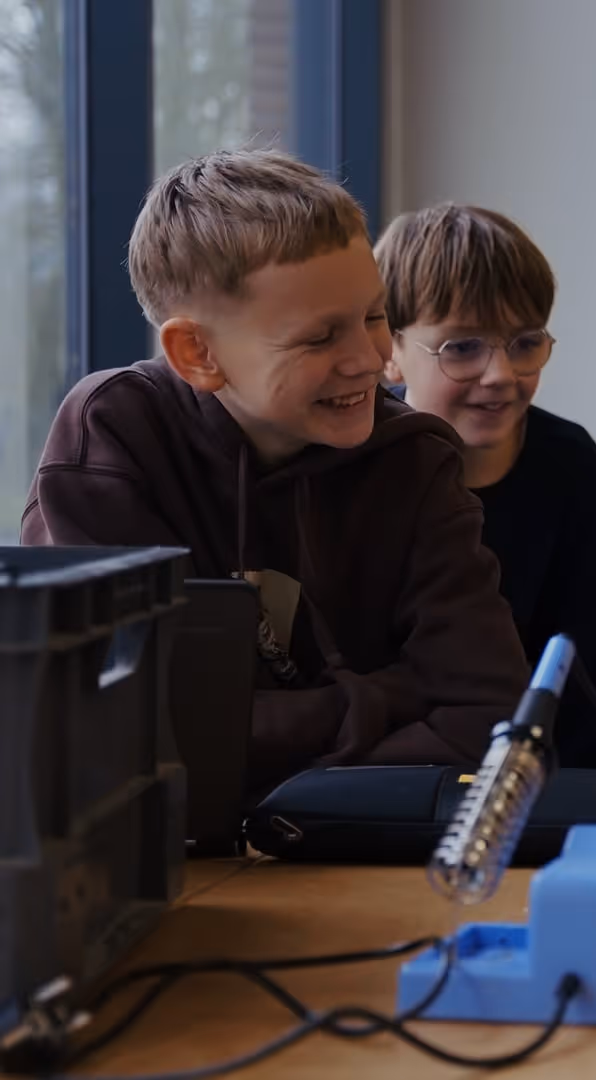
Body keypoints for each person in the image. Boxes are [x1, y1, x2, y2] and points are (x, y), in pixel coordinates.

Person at [22, 149, 529, 794]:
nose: (369, 360)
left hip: (360, 863)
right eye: (319, 338)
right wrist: (381, 700)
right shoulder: (114, 433)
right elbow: (115, 730)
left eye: (374, 317)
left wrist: (246, 735)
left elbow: (489, 725)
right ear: (197, 352)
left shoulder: (415, 457)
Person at [376, 204, 596, 768]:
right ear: (389, 352)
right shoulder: (358, 467)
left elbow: (584, 681)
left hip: (540, 780)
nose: (500, 374)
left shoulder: (571, 466)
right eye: (462, 348)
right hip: (393, 775)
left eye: (523, 343)